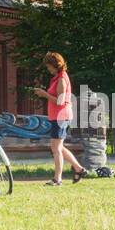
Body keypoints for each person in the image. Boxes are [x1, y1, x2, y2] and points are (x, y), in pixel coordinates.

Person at [33, 51, 86, 186]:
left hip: (61, 116)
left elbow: (60, 102)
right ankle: (79, 169)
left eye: (49, 66)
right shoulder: (57, 78)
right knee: (59, 147)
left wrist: (44, 94)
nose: (48, 69)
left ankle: (57, 179)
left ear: (55, 64)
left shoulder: (62, 78)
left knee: (55, 148)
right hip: (57, 116)